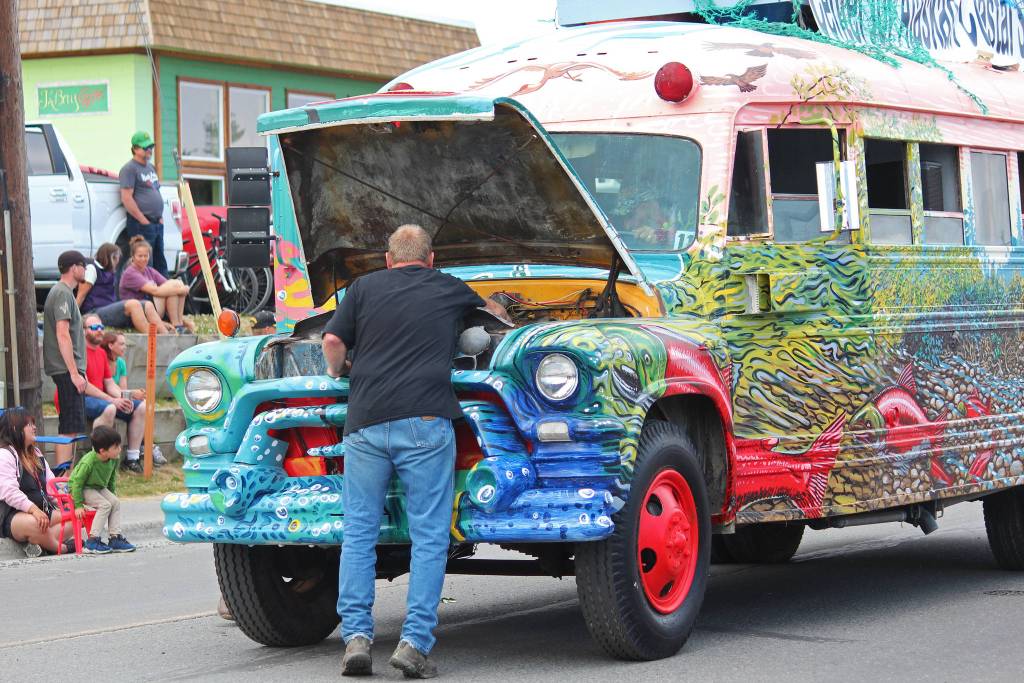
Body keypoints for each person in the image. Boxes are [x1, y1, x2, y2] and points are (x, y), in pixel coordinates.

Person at [321, 224, 508, 678]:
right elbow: (498, 319)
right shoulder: (447, 286)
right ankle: (414, 645)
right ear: (431, 258)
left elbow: (330, 341)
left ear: (388, 259)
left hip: (364, 423)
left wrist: (339, 371)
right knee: (428, 536)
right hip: (424, 422)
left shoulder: (362, 288)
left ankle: (357, 639)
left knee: (359, 533)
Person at [77, 314, 164, 473]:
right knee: (110, 408)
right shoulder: (80, 352)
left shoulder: (101, 353)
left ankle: (132, 458)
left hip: (101, 398)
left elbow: (109, 383)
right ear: (83, 331)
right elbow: (86, 386)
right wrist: (113, 400)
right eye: (94, 327)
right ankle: (97, 461)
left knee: (141, 407)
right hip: (82, 398)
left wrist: (126, 397)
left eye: (101, 327)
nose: (99, 331)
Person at [0, 408, 75, 557]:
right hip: (13, 515)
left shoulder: (35, 453)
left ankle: (42, 541)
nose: (34, 427)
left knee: (79, 514)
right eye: (29, 424)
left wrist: (65, 501)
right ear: (16, 428)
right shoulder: (5, 454)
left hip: (44, 511)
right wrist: (33, 510)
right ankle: (60, 547)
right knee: (34, 524)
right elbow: (9, 492)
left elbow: (51, 484)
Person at [43, 250, 89, 466]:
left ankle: (64, 477)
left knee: (71, 427)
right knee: (69, 429)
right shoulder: (62, 292)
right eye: (84, 266)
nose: (86, 270)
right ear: (74, 267)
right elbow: (62, 334)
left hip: (68, 370)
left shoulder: (65, 293)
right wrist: (74, 373)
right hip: (66, 370)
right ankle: (62, 479)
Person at [99, 330, 166, 471]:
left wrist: (133, 395)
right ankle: (149, 446)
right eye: (121, 344)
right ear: (110, 345)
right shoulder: (101, 358)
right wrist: (132, 394)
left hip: (118, 400)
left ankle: (133, 457)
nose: (125, 347)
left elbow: (123, 389)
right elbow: (106, 388)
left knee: (143, 405)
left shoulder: (121, 363)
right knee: (138, 405)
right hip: (105, 400)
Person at [68, 425, 136, 554]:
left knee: (115, 502)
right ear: (102, 451)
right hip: (81, 488)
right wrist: (78, 505)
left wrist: (111, 493)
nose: (120, 449)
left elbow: (111, 479)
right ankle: (92, 541)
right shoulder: (88, 462)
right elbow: (77, 483)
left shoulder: (113, 459)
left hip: (97, 487)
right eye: (116, 447)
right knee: (105, 505)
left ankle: (115, 538)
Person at [76, 242, 170, 334]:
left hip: (109, 308)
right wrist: (74, 318)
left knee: (147, 304)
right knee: (133, 304)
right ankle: (151, 340)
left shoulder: (109, 272)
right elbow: (81, 295)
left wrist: (160, 322)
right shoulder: (92, 269)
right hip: (94, 311)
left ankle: (166, 336)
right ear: (111, 257)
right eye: (117, 258)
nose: (118, 261)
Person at [120, 236, 194, 334]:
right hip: (141, 310)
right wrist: (181, 290)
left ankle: (179, 323)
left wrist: (181, 287)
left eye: (146, 256)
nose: (143, 259)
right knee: (175, 288)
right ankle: (176, 324)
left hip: (153, 307)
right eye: (140, 256)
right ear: (133, 257)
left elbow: (167, 283)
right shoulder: (130, 273)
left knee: (175, 284)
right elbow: (155, 291)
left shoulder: (149, 270)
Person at [120, 130, 168, 276]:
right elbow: (127, 198)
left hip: (156, 223)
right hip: (141, 224)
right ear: (135, 148)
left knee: (160, 263)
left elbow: (155, 191)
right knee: (146, 264)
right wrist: (143, 220)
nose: (150, 150)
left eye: (151, 147)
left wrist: (159, 217)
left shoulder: (151, 167)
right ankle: (147, 298)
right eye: (146, 147)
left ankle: (163, 295)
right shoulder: (129, 169)